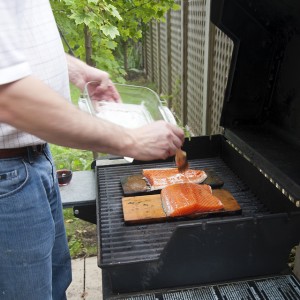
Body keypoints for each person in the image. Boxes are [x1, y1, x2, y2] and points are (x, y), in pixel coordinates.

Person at [0, 1, 184, 299]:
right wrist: (130, 140)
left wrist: (73, 68)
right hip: (6, 175)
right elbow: (7, 97)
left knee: (54, 283)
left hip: (30, 161)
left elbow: (9, 45)